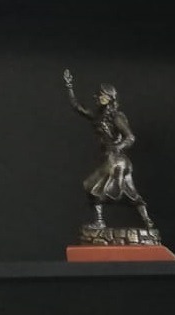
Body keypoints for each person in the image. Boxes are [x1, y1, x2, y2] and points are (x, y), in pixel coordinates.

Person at [63, 70, 155, 231]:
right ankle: (147, 220)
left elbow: (130, 137)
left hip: (115, 160)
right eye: (99, 95)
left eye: (101, 95)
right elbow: (78, 107)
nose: (98, 97)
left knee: (91, 185)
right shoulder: (98, 116)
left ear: (109, 98)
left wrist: (116, 148)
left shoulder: (116, 117)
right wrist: (69, 86)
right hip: (114, 160)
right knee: (129, 191)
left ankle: (100, 221)